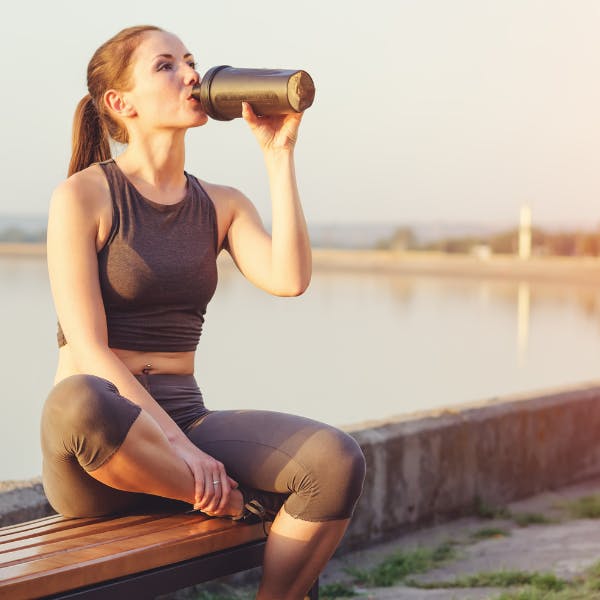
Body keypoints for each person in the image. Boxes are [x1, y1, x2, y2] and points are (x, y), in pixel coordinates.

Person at [40, 25, 366, 600]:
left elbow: (289, 279)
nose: (191, 75)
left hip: (187, 423)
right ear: (121, 103)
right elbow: (90, 350)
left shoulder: (220, 203)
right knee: (78, 399)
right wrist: (186, 456)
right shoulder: (83, 197)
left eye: (190, 62)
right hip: (103, 454)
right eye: (166, 66)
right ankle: (232, 502)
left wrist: (278, 155)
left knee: (335, 459)